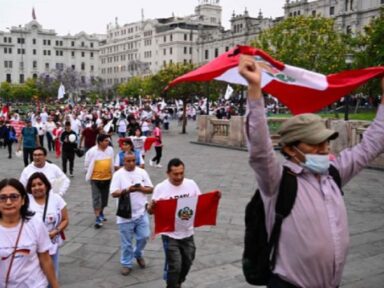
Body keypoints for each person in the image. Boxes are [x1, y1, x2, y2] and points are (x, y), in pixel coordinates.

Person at [238, 55, 384, 288]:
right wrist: (255, 89)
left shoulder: (334, 174)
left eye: (326, 142)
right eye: (314, 144)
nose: (324, 149)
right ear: (290, 148)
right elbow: (259, 151)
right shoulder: (278, 181)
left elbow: (372, 144)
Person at [148, 158, 201, 288]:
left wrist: (214, 198)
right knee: (175, 266)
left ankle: (177, 282)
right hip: (170, 234)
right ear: (168, 173)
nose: (179, 177)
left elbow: (200, 202)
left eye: (181, 173)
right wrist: (151, 207)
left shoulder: (191, 184)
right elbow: (151, 211)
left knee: (188, 261)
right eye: (175, 174)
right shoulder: (161, 188)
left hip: (187, 232)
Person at [0, 178, 59, 288]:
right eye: (2, 198)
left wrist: (55, 286)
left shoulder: (35, 223)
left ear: (23, 200)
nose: (8, 202)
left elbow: (45, 259)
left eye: (14, 197)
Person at [110, 152, 153, 276]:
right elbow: (113, 193)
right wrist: (127, 190)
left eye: (134, 160)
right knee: (127, 242)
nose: (131, 163)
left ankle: (138, 253)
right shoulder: (118, 175)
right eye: (128, 161)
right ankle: (126, 263)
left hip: (141, 212)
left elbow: (151, 188)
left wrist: (140, 189)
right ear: (124, 161)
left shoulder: (142, 172)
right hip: (125, 214)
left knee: (144, 236)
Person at [26, 172, 69, 279]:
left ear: (46, 185)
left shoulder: (56, 199)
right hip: (32, 245)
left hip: (51, 243)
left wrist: (56, 231)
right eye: (33, 185)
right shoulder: (25, 201)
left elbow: (65, 219)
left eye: (40, 184)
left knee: (52, 274)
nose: (37, 187)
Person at [84, 134, 114, 229]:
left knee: (104, 199)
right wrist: (89, 173)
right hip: (96, 179)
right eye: (105, 140)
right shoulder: (92, 151)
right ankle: (97, 217)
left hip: (107, 178)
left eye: (108, 140)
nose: (107, 142)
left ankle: (101, 212)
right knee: (96, 198)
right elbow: (87, 163)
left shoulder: (110, 150)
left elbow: (112, 162)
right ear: (100, 142)